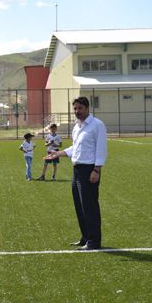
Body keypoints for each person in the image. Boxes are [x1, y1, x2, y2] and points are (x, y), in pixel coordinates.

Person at [44, 96, 107, 250]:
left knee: (90, 207)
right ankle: (85, 237)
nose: (77, 111)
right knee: (80, 206)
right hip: (77, 170)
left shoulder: (97, 125)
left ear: (87, 108)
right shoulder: (77, 127)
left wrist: (96, 170)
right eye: (75, 109)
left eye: (80, 108)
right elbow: (75, 149)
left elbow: (101, 148)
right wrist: (57, 154)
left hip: (90, 170)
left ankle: (94, 241)